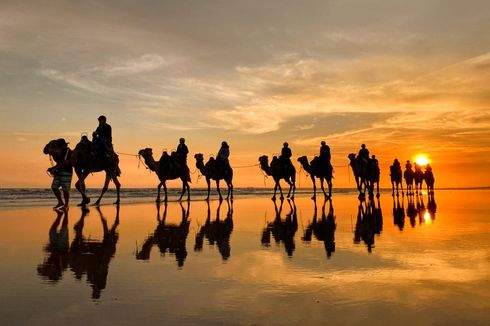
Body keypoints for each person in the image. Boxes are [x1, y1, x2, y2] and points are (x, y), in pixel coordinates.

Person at [47, 139, 73, 210]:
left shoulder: (68, 152)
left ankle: (66, 205)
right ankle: (60, 202)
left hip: (67, 172)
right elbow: (59, 163)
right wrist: (53, 168)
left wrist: (54, 169)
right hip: (59, 172)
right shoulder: (59, 152)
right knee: (54, 187)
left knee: (65, 190)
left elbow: (64, 163)